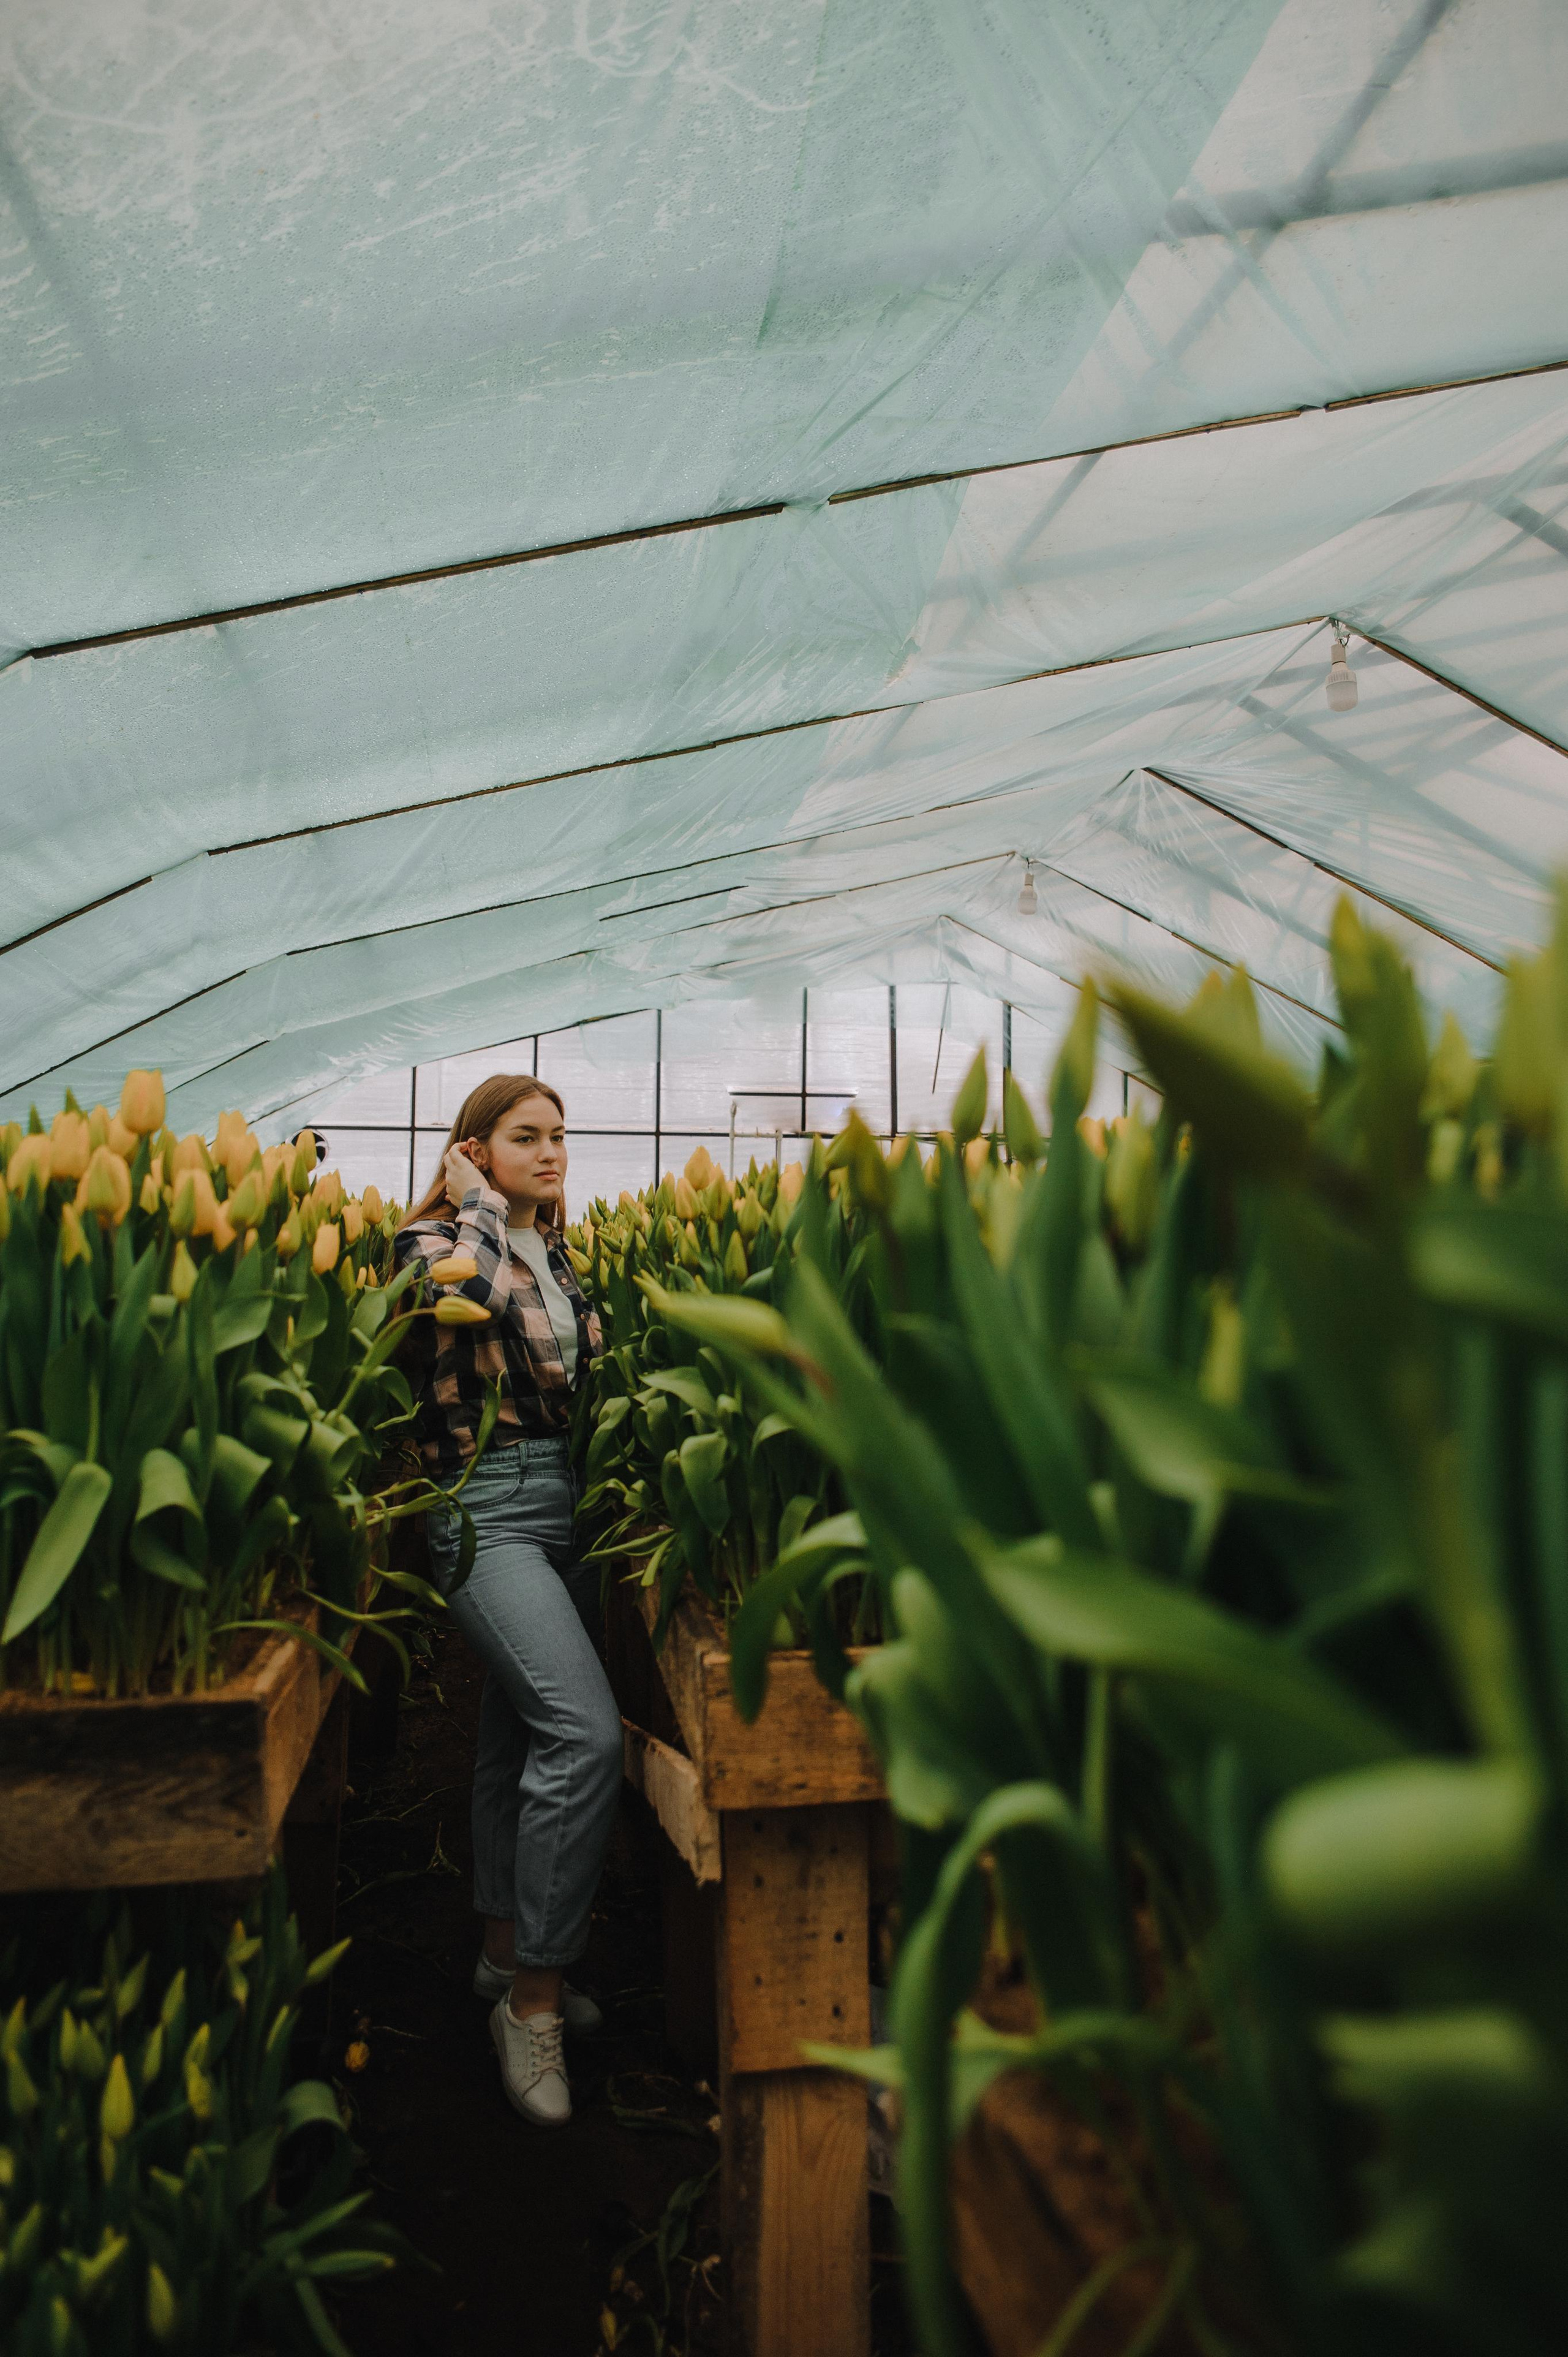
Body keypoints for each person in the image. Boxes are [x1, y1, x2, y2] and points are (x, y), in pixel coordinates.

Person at [395, 1075, 620, 2129]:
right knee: (584, 1736)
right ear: (472, 1150)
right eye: (524, 1137)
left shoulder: (559, 1251)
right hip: (480, 1506)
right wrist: (475, 1208)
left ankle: (501, 1956)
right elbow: (465, 1302)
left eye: (559, 1136)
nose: (552, 1152)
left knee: (518, 1736)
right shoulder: (432, 1240)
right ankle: (532, 2004)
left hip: (567, 1499)